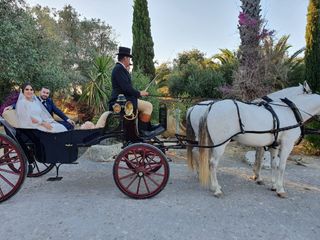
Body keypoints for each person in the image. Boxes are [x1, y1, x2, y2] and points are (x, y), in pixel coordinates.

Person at [108, 46, 164, 137]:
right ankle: (143, 131)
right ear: (125, 58)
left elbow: (126, 88)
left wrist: (138, 94)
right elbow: (126, 88)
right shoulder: (119, 69)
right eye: (129, 58)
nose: (130, 61)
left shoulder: (119, 69)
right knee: (148, 106)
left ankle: (145, 128)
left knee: (145, 106)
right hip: (121, 101)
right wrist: (139, 93)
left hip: (123, 99)